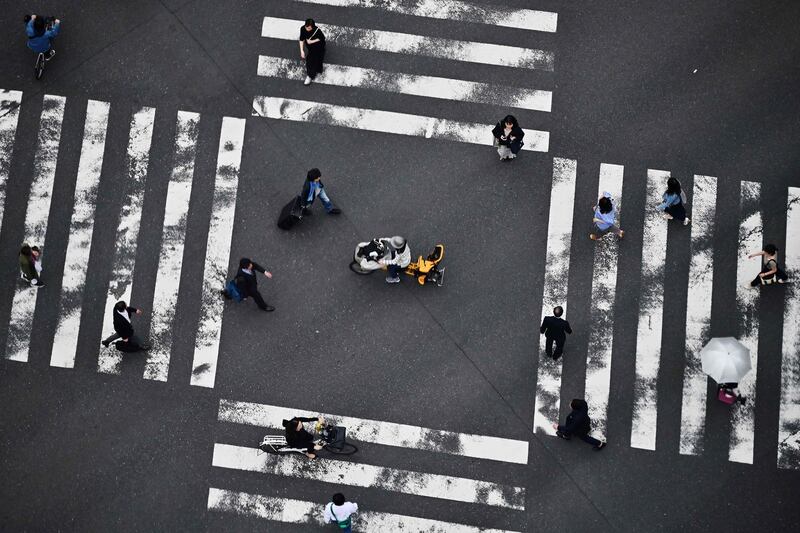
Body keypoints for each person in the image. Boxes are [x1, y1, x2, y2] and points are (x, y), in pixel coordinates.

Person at [299, 18, 326, 85]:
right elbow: (301, 39)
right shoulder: (303, 29)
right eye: (306, 27)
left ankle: (310, 75)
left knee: (313, 60)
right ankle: (316, 71)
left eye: (309, 28)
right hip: (310, 48)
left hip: (319, 47)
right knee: (313, 60)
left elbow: (322, 38)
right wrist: (302, 50)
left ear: (312, 27)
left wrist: (311, 41)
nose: (307, 29)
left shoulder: (317, 31)